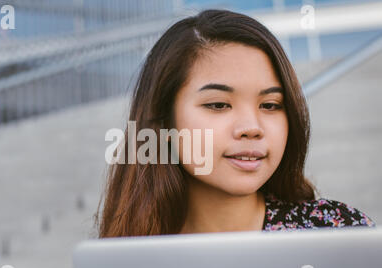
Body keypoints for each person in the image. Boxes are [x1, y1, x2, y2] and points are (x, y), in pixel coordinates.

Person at [94, 9, 375, 237]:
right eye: (218, 105)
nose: (252, 127)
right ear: (166, 122)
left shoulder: (337, 234)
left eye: (270, 105)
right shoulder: (126, 259)